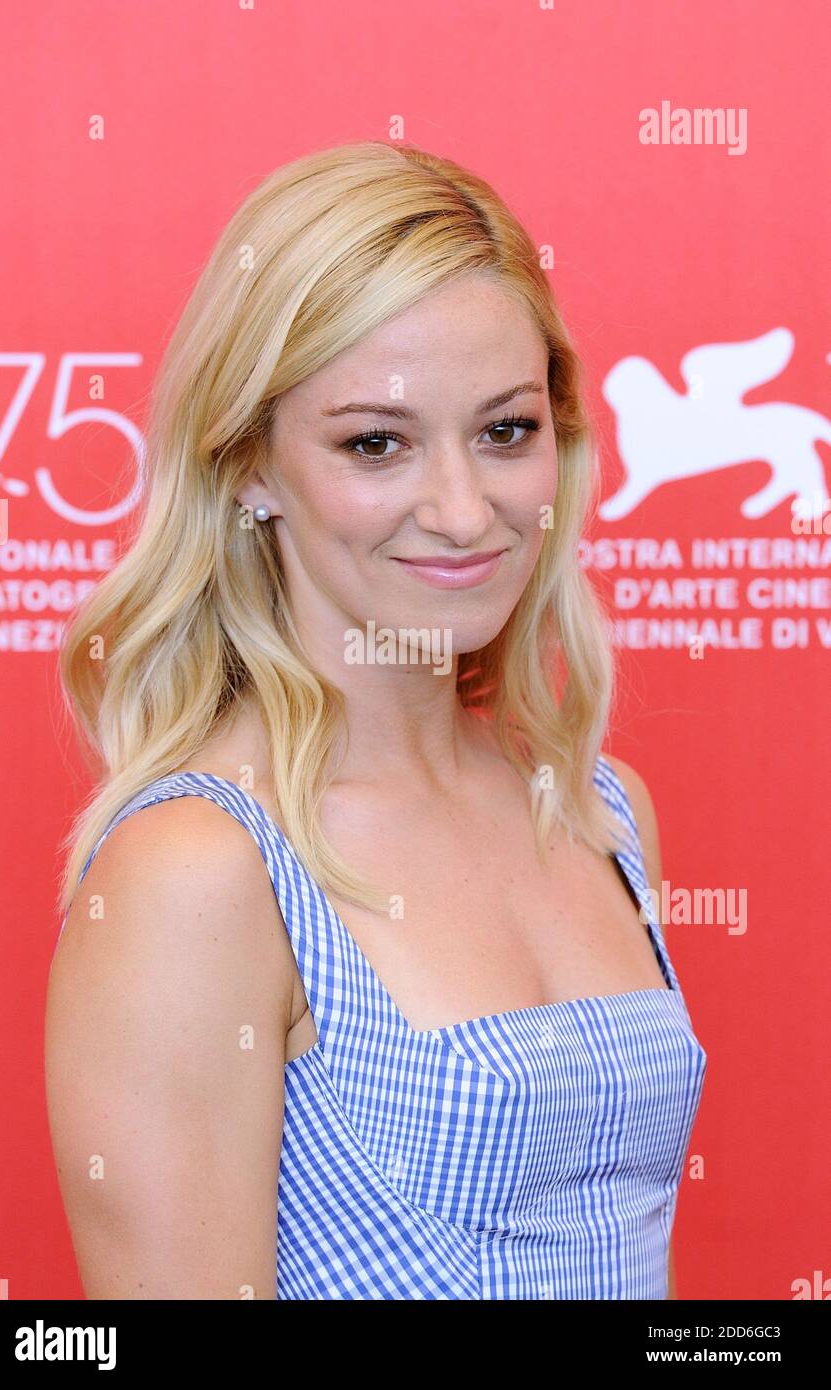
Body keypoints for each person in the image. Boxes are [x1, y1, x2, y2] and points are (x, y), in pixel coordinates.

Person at [44, 140, 707, 1300]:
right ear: (248, 465)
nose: (463, 511)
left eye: (504, 430)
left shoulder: (599, 808)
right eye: (374, 443)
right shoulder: (202, 869)